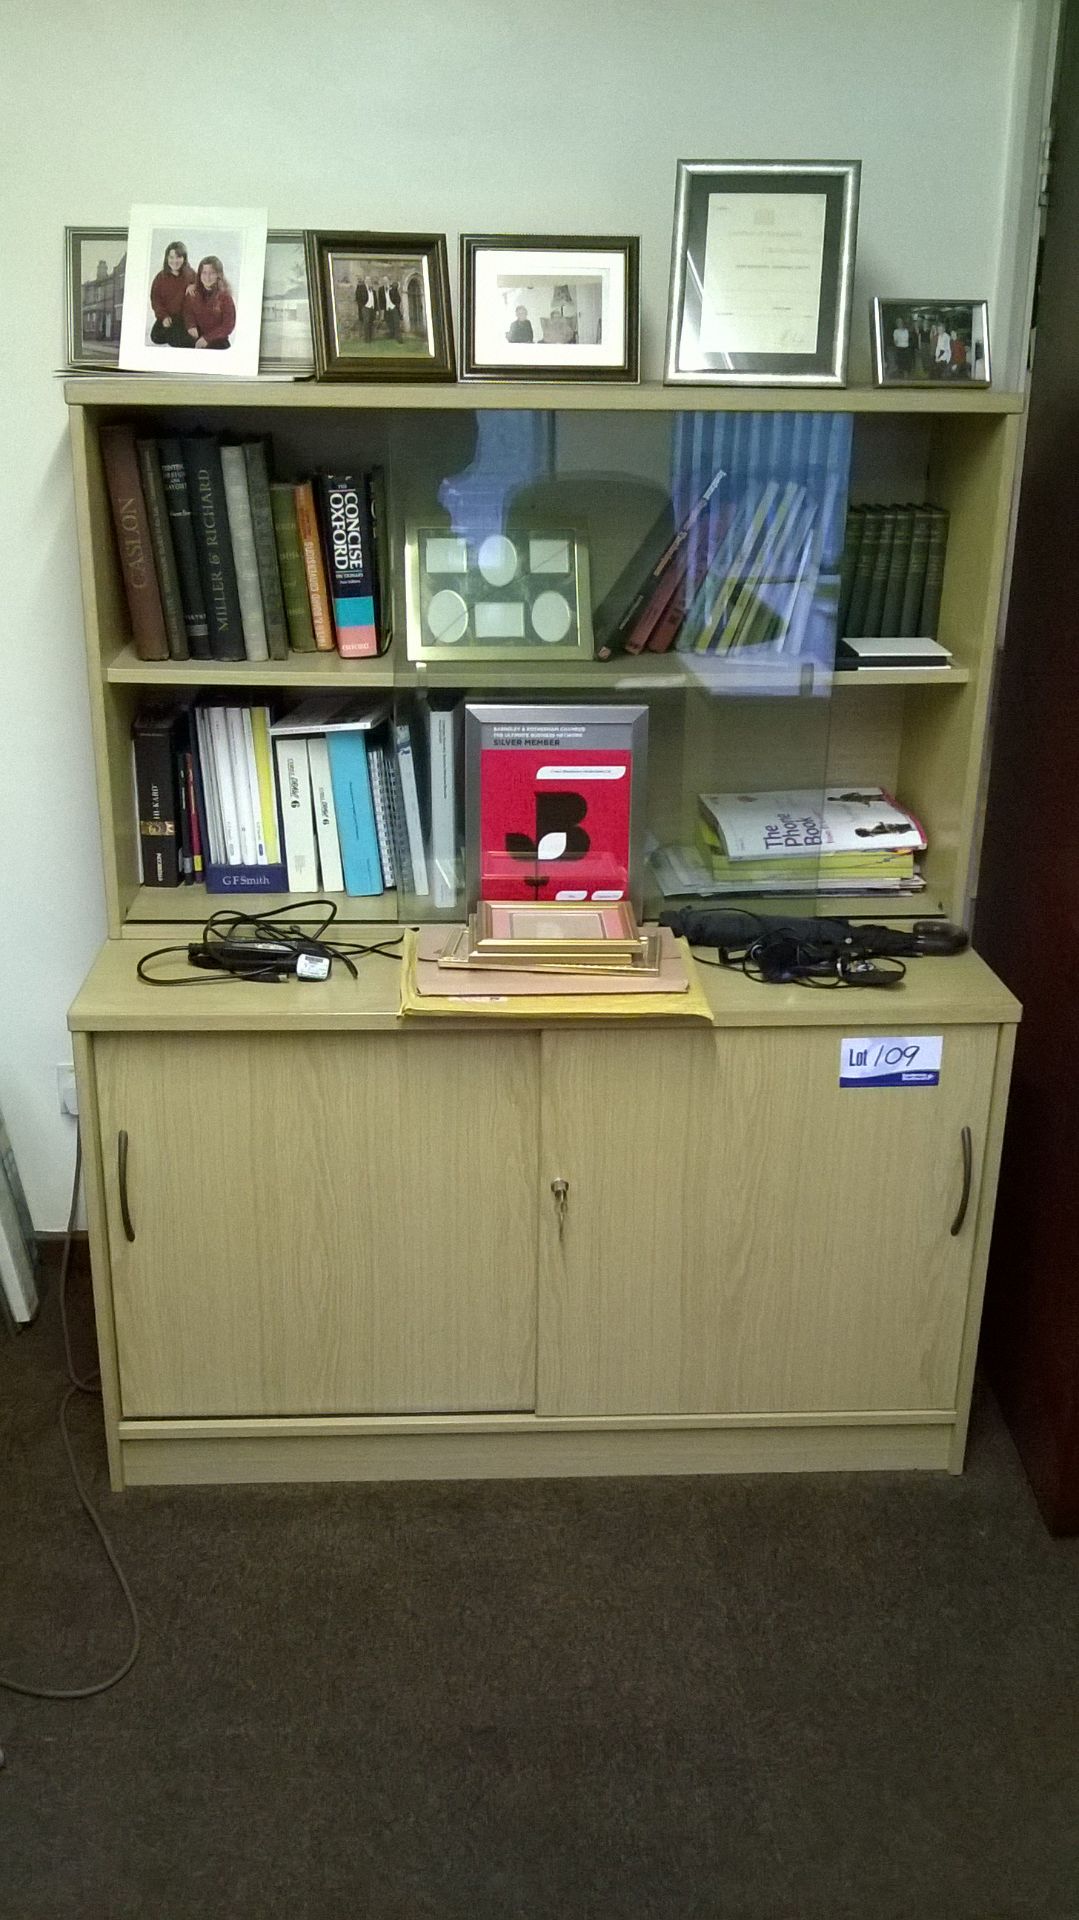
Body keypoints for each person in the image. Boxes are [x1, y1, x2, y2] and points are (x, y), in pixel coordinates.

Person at [184, 256, 236, 350]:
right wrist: (191, 326)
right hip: (197, 335)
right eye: (204, 273)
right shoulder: (193, 292)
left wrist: (207, 339)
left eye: (212, 273)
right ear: (199, 274)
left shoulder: (225, 296)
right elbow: (188, 312)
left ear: (218, 275)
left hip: (216, 338)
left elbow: (228, 325)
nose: (207, 277)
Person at [149, 241, 195, 346]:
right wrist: (163, 316)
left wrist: (195, 285)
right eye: (171, 257)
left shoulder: (191, 274)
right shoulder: (160, 277)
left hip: (184, 318)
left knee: (175, 340)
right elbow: (156, 300)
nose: (175, 261)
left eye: (178, 257)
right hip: (168, 316)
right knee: (156, 336)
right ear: (167, 258)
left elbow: (204, 286)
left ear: (184, 258)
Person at [356, 274, 376, 344]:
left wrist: (375, 309)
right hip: (365, 307)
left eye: (369, 280)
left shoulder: (372, 289)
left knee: (371, 322)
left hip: (371, 308)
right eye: (367, 280)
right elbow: (358, 297)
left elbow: (374, 300)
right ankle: (366, 339)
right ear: (365, 281)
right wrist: (362, 306)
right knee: (366, 322)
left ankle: (370, 338)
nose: (368, 281)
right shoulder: (360, 287)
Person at [382, 276, 402, 343]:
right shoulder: (381, 289)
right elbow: (381, 300)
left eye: (386, 280)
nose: (385, 282)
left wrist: (396, 305)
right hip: (387, 309)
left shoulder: (393, 288)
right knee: (389, 322)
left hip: (393, 307)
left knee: (396, 322)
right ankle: (392, 335)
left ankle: (399, 338)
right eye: (384, 281)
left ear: (388, 281)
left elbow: (398, 298)